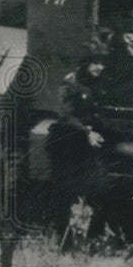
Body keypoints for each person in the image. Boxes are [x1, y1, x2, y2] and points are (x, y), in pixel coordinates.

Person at [47, 40, 111, 238]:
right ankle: (63, 240)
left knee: (101, 190)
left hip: (88, 147)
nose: (100, 67)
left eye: (102, 62)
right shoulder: (71, 83)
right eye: (95, 63)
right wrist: (86, 132)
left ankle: (94, 236)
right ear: (85, 63)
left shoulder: (97, 84)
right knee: (65, 195)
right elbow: (66, 115)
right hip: (68, 146)